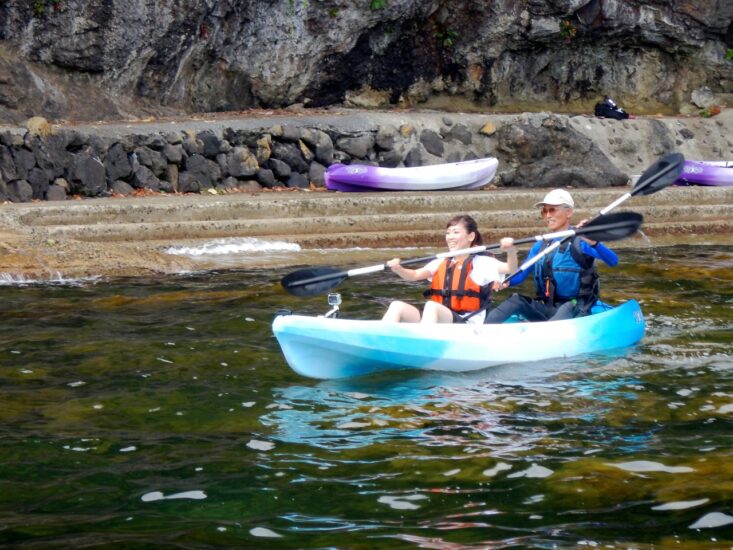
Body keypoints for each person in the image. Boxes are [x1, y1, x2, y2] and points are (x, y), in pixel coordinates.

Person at [484, 189, 618, 324]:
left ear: (569, 212)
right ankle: (482, 330)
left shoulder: (581, 241)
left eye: (552, 210)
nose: (548, 215)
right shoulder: (541, 245)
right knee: (515, 299)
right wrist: (506, 281)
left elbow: (613, 261)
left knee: (567, 307)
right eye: (544, 211)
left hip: (576, 308)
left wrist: (595, 243)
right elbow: (522, 273)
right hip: (548, 307)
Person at [382, 214, 518, 324]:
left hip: (467, 323)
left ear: (471, 236)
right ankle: (380, 341)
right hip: (442, 318)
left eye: (456, 232)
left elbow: (510, 268)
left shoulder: (481, 262)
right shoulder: (442, 261)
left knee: (431, 306)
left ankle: (423, 344)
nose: (450, 237)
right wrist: (398, 269)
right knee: (396, 306)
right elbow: (414, 275)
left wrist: (511, 251)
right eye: (448, 233)